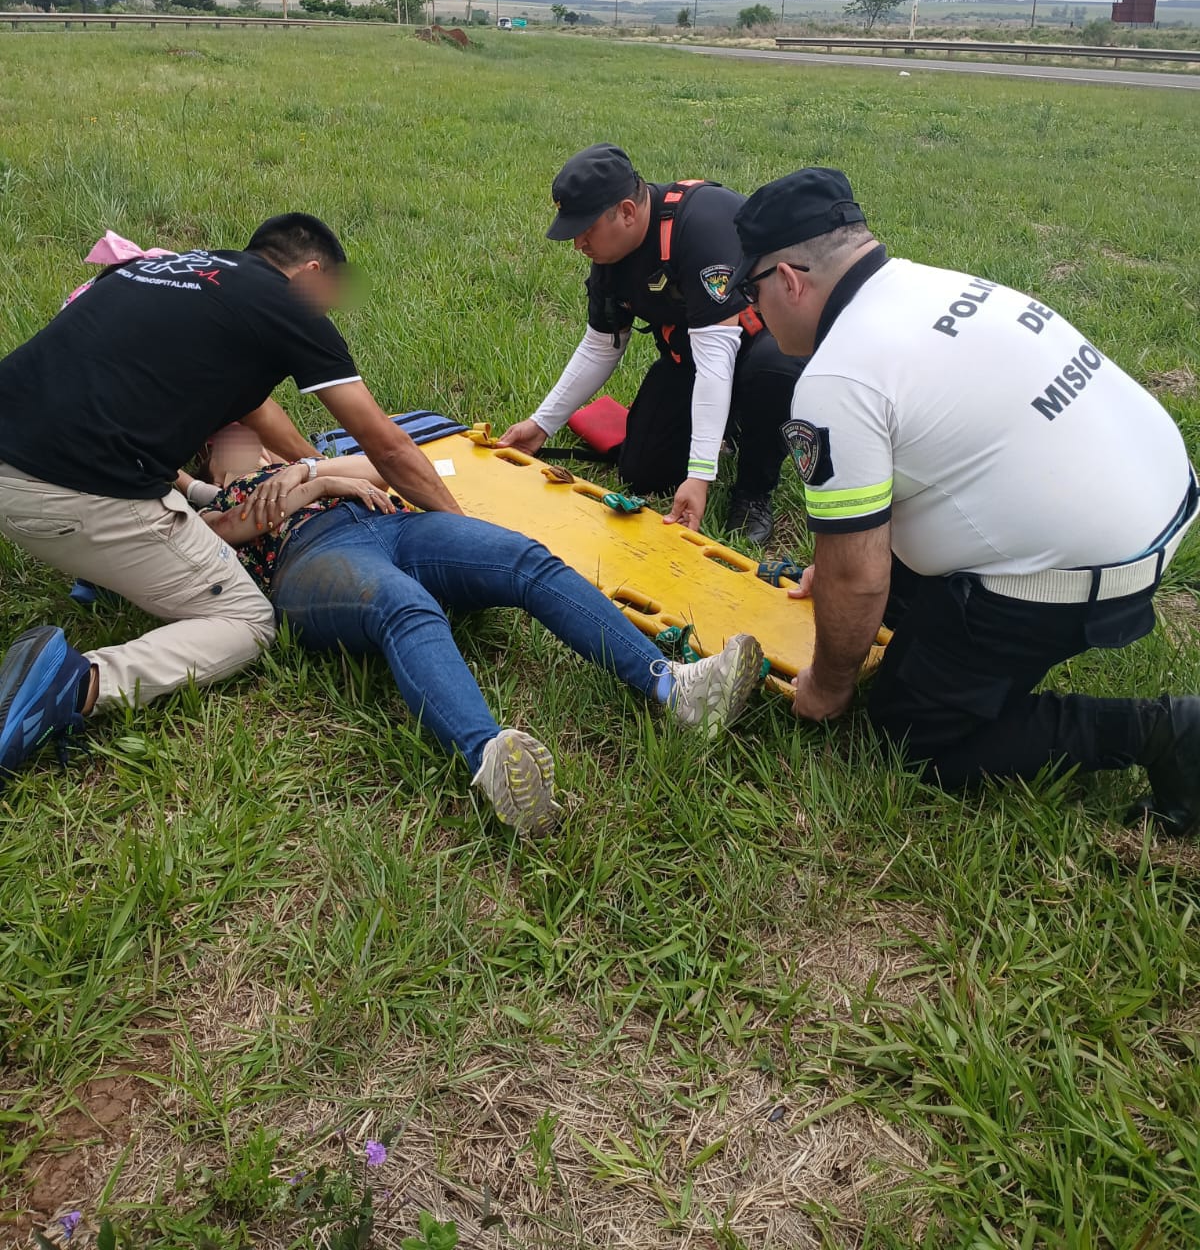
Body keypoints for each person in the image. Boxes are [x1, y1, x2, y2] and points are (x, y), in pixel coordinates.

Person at [730, 166, 1200, 832]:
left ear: (790, 281)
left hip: (1087, 567)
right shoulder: (925, 283)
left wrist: (828, 687)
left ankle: (1164, 733)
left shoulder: (837, 377)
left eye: (752, 291)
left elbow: (858, 578)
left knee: (909, 731)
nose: (754, 313)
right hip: (1158, 493)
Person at [0, 214, 464, 778]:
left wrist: (304, 469)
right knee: (247, 621)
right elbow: (387, 448)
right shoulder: (287, 303)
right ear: (313, 273)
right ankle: (81, 683)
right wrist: (461, 527)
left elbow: (246, 410)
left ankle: (105, 571)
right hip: (69, 489)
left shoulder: (165, 270)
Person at [196, 422, 764, 836]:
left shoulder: (310, 461)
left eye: (249, 425)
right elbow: (232, 528)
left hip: (393, 525)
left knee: (524, 559)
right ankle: (494, 764)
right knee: (405, 607)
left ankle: (675, 687)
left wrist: (313, 471)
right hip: (310, 560)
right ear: (208, 456)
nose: (247, 434)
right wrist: (315, 488)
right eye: (230, 432)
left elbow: (383, 465)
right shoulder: (210, 504)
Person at [499, 144, 804, 545]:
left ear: (626, 212)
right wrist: (542, 424)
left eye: (586, 230)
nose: (578, 245)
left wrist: (699, 476)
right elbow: (601, 347)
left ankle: (753, 488)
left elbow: (717, 361)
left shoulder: (701, 225)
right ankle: (721, 429)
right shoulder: (611, 257)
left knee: (772, 370)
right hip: (691, 359)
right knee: (643, 472)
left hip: (757, 351)